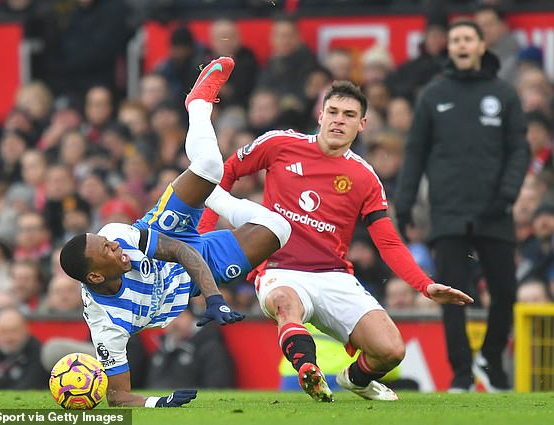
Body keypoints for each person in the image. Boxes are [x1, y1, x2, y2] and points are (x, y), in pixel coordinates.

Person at [198, 80, 473, 403]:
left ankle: (355, 379)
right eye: (333, 111)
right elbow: (223, 174)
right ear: (320, 115)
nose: (339, 120)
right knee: (286, 303)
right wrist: (203, 238)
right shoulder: (279, 144)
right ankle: (308, 370)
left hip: (334, 275)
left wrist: (425, 285)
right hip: (279, 269)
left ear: (362, 124)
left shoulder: (364, 177)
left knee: (391, 350)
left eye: (349, 114)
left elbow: (389, 243)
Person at [59, 57, 291, 408]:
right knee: (278, 229)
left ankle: (197, 105)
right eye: (107, 251)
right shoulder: (106, 324)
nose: (114, 247)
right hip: (190, 279)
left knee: (211, 165)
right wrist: (159, 403)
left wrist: (214, 300)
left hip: (168, 235)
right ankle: (216, 197)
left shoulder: (120, 235)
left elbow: (182, 251)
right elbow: (118, 397)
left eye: (108, 243)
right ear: (94, 275)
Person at [395, 19, 529, 393]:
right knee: (451, 295)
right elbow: (415, 154)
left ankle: (491, 356)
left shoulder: (503, 93)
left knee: (505, 292)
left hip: (495, 209)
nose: (461, 44)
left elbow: (519, 149)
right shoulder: (433, 95)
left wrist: (508, 193)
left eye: (468, 38)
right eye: (455, 39)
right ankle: (461, 374)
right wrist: (403, 205)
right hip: (449, 211)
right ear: (449, 48)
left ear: (482, 46)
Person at [0, 308, 48, 389]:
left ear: (26, 329)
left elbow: (27, 387)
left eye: (14, 331)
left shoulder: (40, 355)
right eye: (3, 332)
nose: (9, 338)